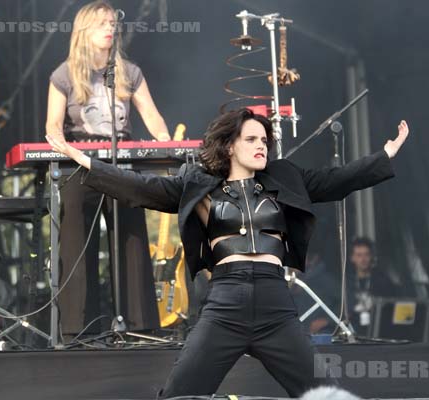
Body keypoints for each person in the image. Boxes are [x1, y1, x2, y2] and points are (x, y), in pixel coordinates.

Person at [46, 108, 409, 397]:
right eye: (251, 139)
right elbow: (144, 188)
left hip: (275, 306)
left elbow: (337, 180)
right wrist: (86, 161)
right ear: (230, 146)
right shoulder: (199, 185)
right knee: (180, 393)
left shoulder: (286, 177)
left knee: (324, 393)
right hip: (226, 303)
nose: (261, 145)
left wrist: (386, 155)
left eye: (265, 140)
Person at [45, 1, 170, 340]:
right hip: (79, 164)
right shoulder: (63, 74)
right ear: (84, 30)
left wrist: (165, 144)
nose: (109, 28)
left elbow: (153, 117)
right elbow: (53, 125)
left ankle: (140, 325)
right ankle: (76, 329)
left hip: (121, 162)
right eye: (101, 23)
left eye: (112, 22)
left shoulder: (129, 72)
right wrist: (62, 144)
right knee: (75, 241)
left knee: (131, 236)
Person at [345, 237, 397, 336]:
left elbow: (390, 309)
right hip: (352, 331)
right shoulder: (346, 282)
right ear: (352, 258)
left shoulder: (383, 280)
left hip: (378, 331)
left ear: (372, 256)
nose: (363, 259)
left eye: (366, 255)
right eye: (359, 255)